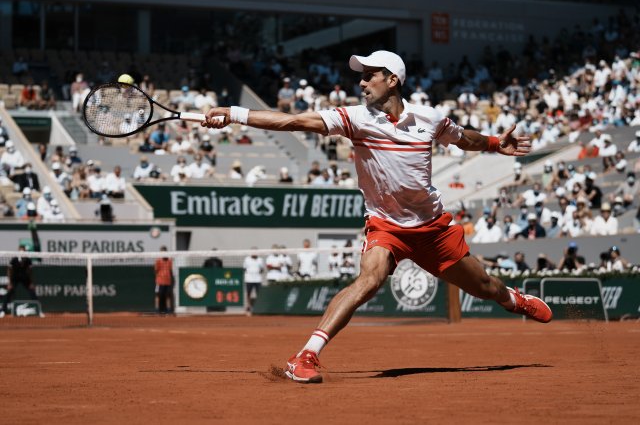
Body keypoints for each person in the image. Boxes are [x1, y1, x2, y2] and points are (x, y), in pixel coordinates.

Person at [201, 49, 552, 384]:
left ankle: (513, 300)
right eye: (362, 77)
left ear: (393, 80)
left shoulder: (430, 119)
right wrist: (233, 113)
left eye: (370, 76)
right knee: (371, 278)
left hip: (432, 227)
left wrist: (492, 144)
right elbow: (294, 120)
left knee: (486, 287)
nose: (362, 83)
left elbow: (463, 139)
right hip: (386, 225)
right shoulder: (355, 118)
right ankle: (306, 356)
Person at [1, 245, 40, 317]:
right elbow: (9, 270)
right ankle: (3, 311)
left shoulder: (28, 260)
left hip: (25, 278)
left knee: (32, 292)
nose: (22, 252)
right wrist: (9, 283)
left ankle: (38, 311)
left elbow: (30, 271)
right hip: (15, 278)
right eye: (20, 251)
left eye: (23, 251)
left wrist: (31, 282)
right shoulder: (14, 259)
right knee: (9, 292)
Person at [243, 248, 264, 312]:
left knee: (259, 293)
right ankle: (248, 306)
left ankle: (258, 306)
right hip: (249, 279)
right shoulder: (247, 259)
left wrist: (258, 272)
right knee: (248, 293)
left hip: (258, 279)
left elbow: (262, 269)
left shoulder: (260, 260)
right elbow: (244, 268)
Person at [154, 246, 173, 314]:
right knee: (158, 295)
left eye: (164, 252)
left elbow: (170, 270)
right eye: (162, 252)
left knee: (168, 295)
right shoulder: (158, 260)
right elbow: (156, 270)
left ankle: (168, 309)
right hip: (159, 281)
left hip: (167, 281)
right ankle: (157, 309)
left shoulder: (170, 260)